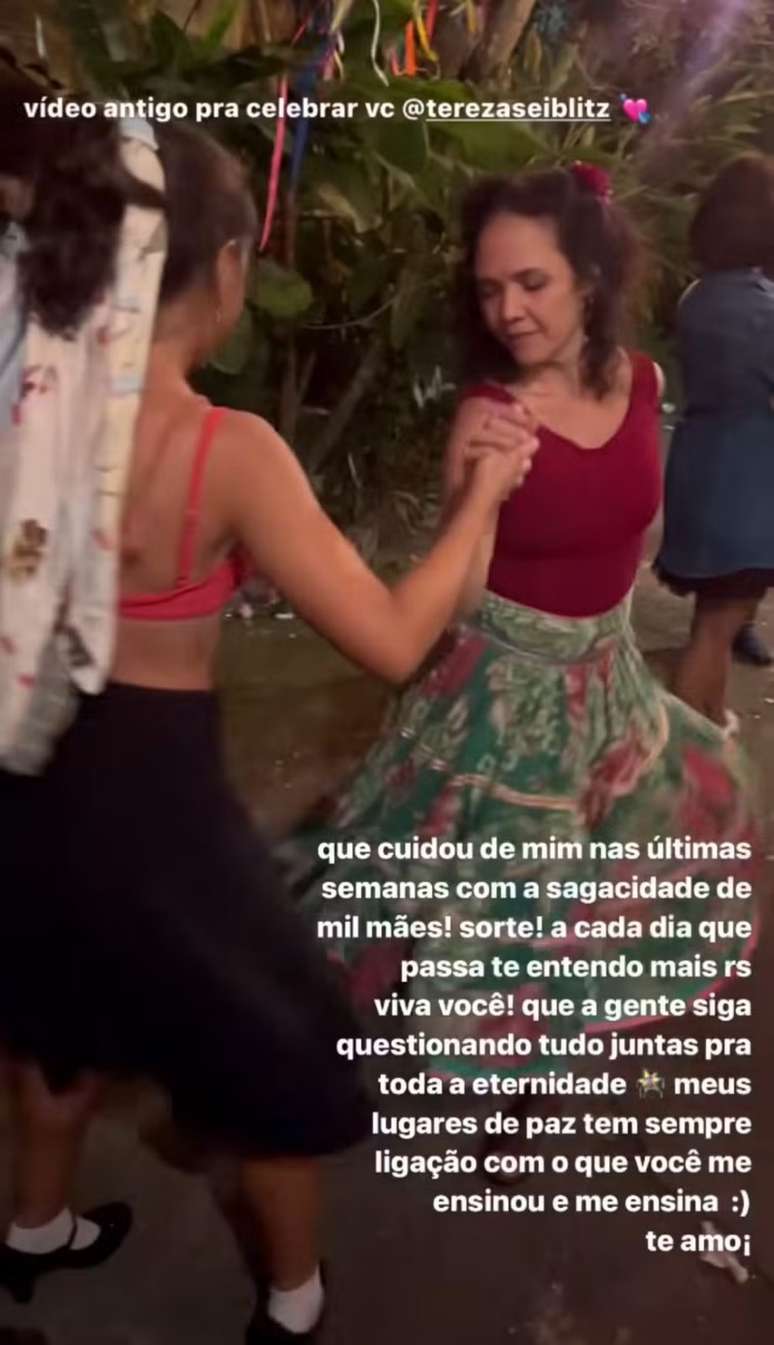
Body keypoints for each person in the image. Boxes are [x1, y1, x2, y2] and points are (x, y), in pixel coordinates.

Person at [0, 113, 537, 1343]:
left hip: (32, 766)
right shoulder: (224, 450)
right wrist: (478, 500)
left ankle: (32, 1231)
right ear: (230, 264)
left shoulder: (27, 403)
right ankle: (294, 1303)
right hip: (156, 800)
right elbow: (394, 639)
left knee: (52, 1015)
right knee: (268, 1055)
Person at [282, 165, 760, 1168]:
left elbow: (629, 530)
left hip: (609, 683)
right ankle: (468, 1075)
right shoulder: (490, 412)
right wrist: (481, 496)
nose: (507, 309)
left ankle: (531, 1071)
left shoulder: (644, 382)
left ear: (591, 274)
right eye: (490, 288)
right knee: (489, 909)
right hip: (503, 696)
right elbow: (458, 596)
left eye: (531, 282)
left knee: (598, 888)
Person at [656, 154, 774, 723]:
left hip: (698, 470)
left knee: (712, 627)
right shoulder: (765, 310)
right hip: (749, 490)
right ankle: (685, 753)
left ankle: (706, 732)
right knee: (712, 638)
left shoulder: (696, 298)